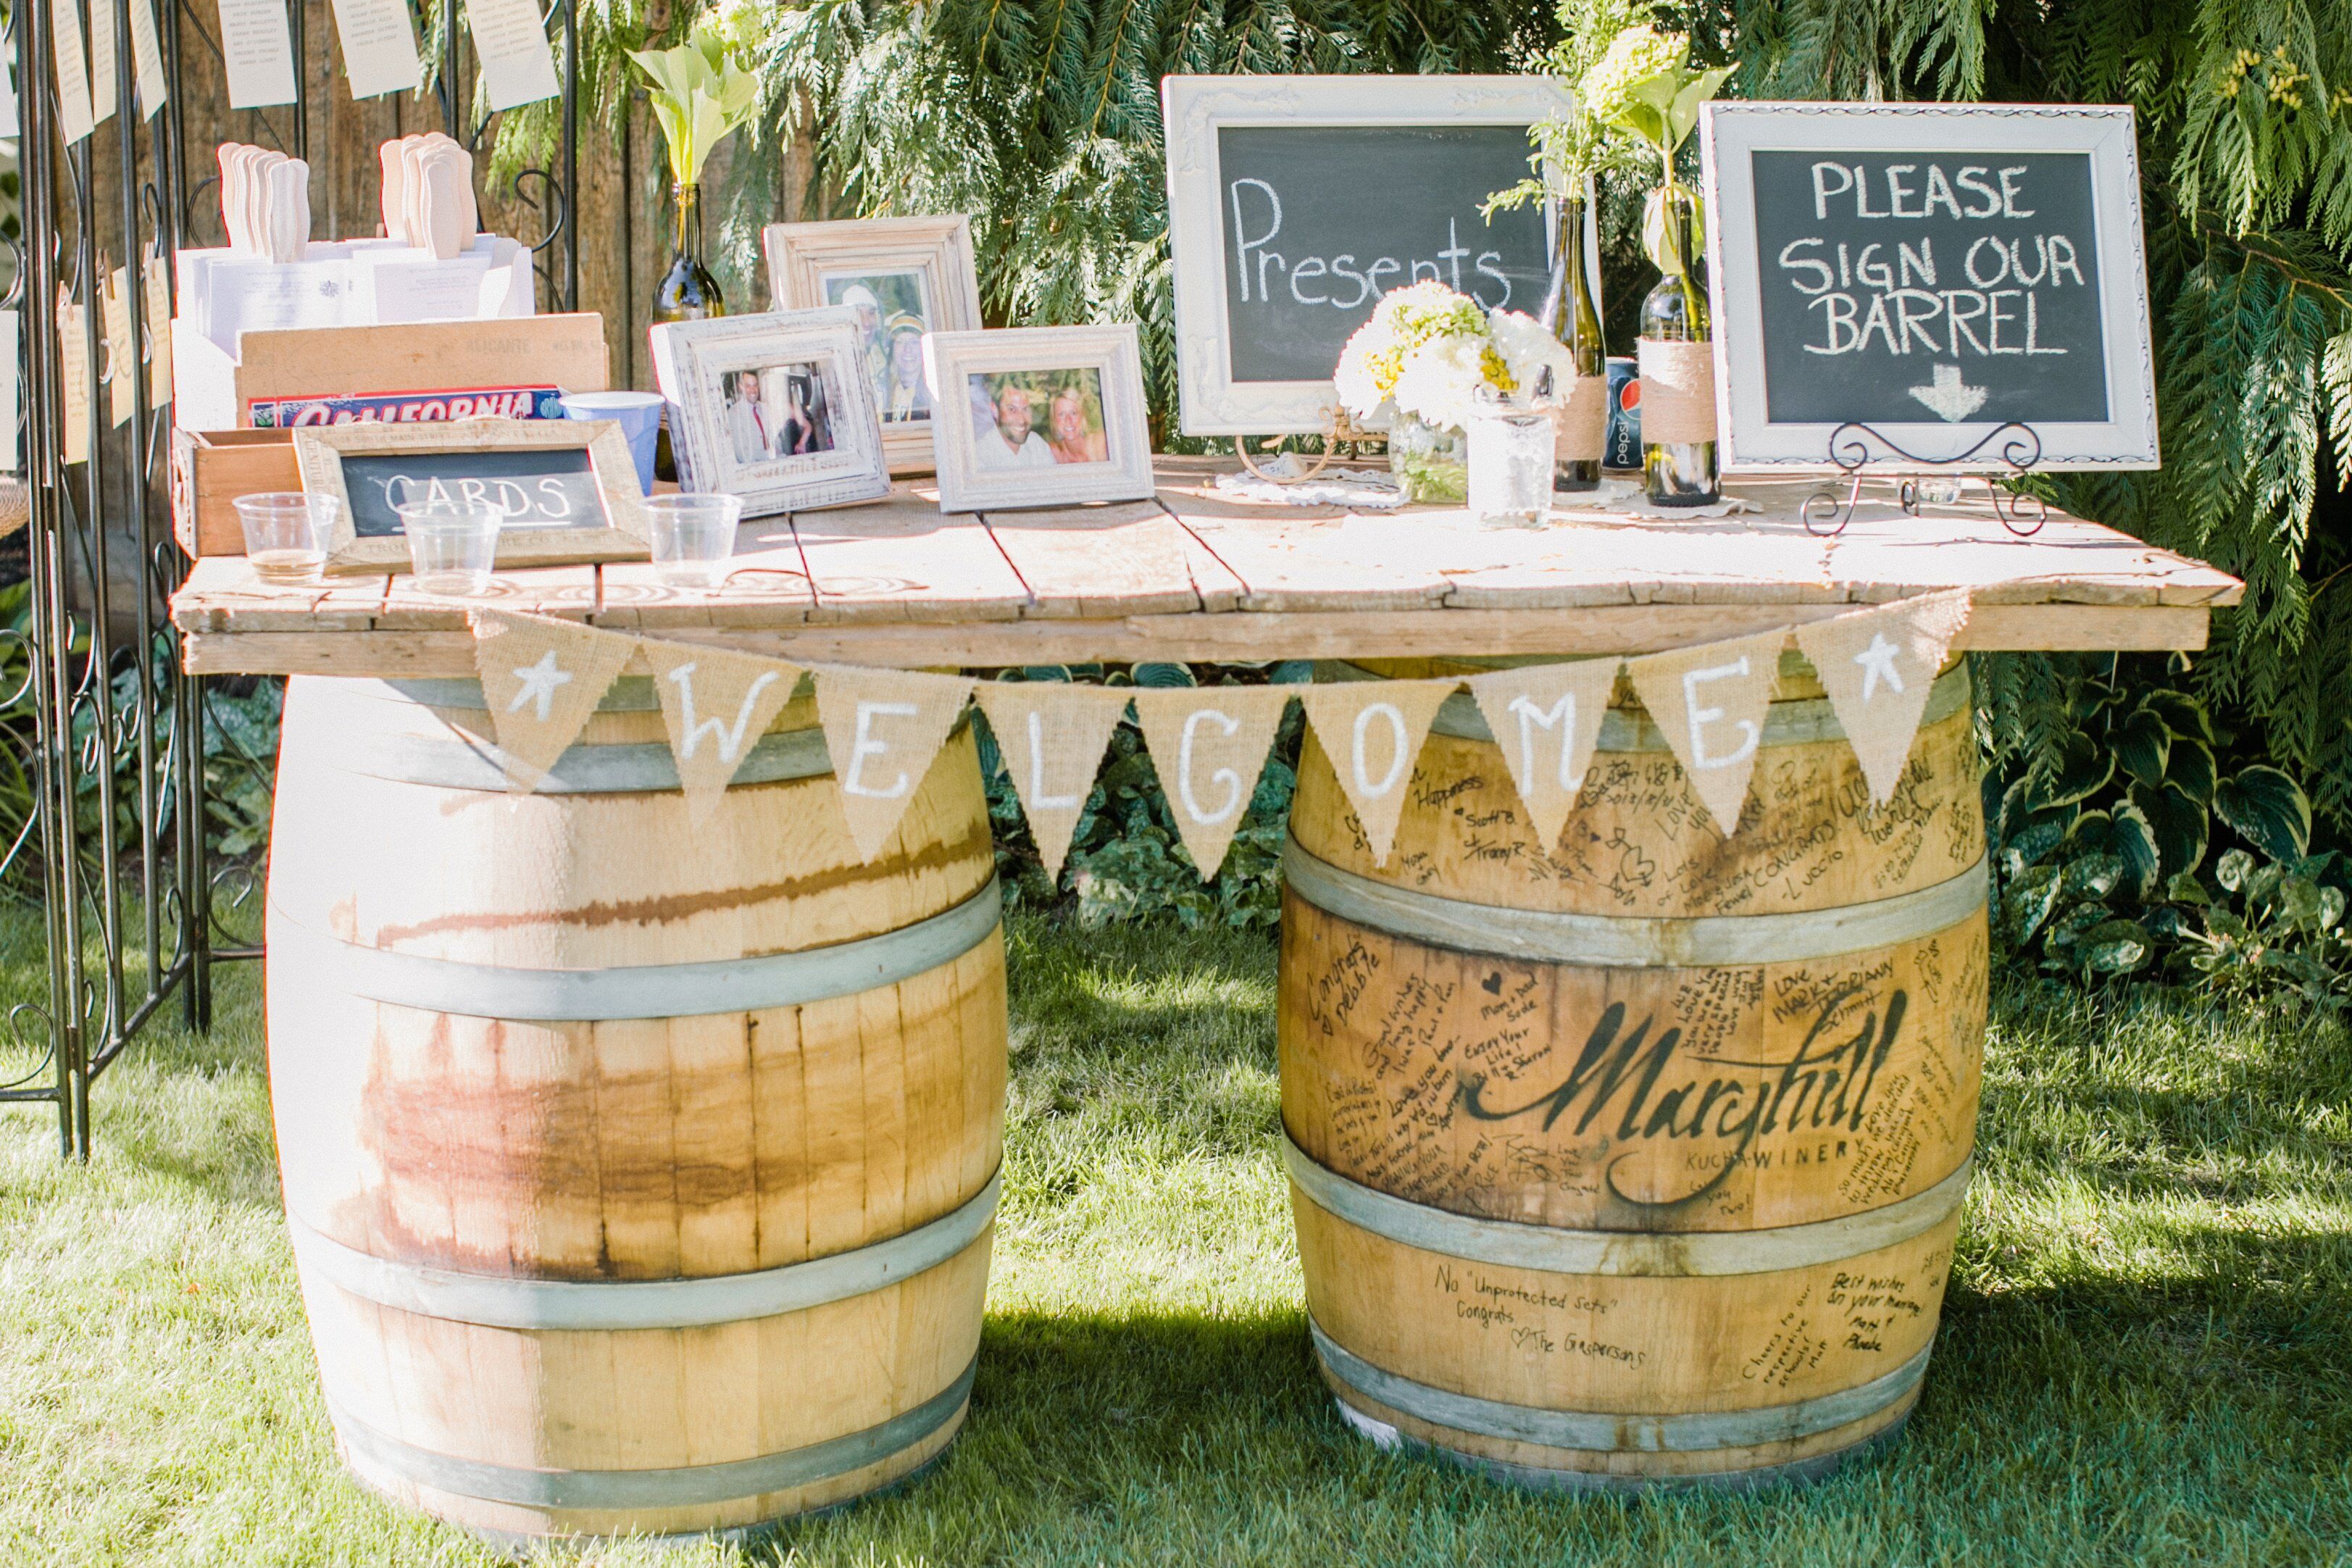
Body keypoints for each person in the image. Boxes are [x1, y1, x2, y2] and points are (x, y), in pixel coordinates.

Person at [972, 382, 1056, 470]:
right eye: (1012, 409)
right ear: (995, 410)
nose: (1021, 420)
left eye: (1026, 409)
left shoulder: (1037, 444)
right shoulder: (980, 455)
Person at [837, 283, 890, 406]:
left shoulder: (887, 360)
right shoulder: (837, 364)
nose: (866, 322)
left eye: (871, 313)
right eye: (858, 313)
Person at [881, 313, 930, 422]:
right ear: (892, 350)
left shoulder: (933, 394)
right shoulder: (885, 392)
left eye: (914, 342)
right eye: (900, 342)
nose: (907, 349)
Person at [724, 371, 777, 464]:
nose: (753, 390)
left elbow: (776, 440)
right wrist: (771, 455)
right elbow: (743, 455)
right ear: (741, 387)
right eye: (748, 386)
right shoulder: (734, 414)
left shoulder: (765, 408)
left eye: (755, 385)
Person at [1045, 385, 1107, 464]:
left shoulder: (1100, 443)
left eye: (1073, 413)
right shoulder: (1054, 452)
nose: (1068, 420)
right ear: (1054, 420)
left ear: (1083, 416)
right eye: (1061, 414)